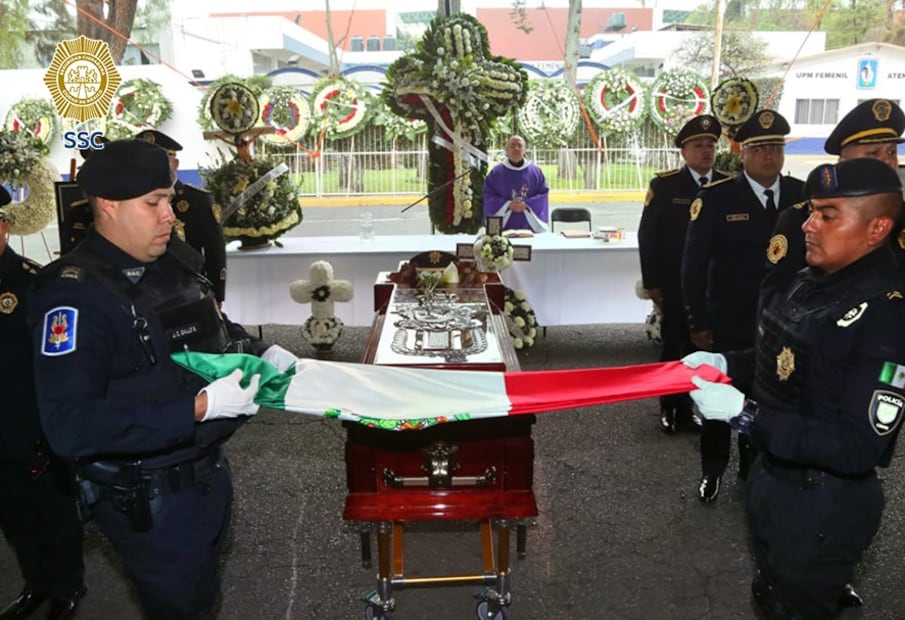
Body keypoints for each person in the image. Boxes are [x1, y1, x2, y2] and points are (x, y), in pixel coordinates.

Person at [28, 139, 292, 620]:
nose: (169, 215)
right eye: (153, 203)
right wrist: (197, 408)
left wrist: (258, 350)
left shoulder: (173, 262)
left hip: (204, 473)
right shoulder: (75, 296)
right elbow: (69, 426)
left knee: (200, 596)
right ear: (108, 204)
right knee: (180, 606)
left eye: (169, 199)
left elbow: (210, 327)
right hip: (147, 497)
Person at [683, 158, 905, 619]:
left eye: (828, 215)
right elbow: (783, 357)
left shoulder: (887, 313)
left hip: (822, 504)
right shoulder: (813, 279)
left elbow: (858, 446)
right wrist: (727, 363)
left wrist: (746, 415)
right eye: (812, 212)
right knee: (770, 592)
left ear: (877, 228)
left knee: (800, 605)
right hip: (774, 479)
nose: (808, 224)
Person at [681, 109, 804, 502]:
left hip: (788, 324)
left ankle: (756, 472)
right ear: (743, 153)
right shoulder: (716, 198)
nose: (769, 156)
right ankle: (713, 469)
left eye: (776, 148)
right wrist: (698, 322)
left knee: (774, 399)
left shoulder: (804, 196)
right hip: (731, 321)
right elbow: (693, 267)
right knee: (720, 399)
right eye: (760, 148)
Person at [0, 189, 85, 620]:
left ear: (4, 228)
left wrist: (50, 428)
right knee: (14, 518)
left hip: (33, 428)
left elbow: (58, 364)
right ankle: (36, 583)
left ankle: (67, 587)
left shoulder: (33, 282)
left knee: (54, 514)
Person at [763, 98, 905, 305]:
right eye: (873, 153)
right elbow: (775, 297)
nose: (887, 161)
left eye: (891, 152)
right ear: (843, 162)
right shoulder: (800, 221)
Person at [638, 114, 728, 433]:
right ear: (684, 152)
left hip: (715, 286)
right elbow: (648, 236)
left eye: (711, 145)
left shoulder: (728, 185)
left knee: (705, 350)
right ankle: (669, 406)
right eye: (698, 145)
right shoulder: (665, 185)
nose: (706, 151)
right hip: (675, 284)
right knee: (674, 346)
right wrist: (652, 283)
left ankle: (692, 408)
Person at [135, 129, 228, 302]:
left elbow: (215, 253)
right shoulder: (132, 203)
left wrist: (217, 295)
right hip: (145, 293)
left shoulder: (198, 200)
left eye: (159, 162)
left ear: (175, 164)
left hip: (188, 291)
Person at [483, 135, 550, 233]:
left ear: (525, 150)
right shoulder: (496, 173)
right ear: (506, 150)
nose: (516, 149)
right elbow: (489, 195)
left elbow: (543, 194)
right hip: (503, 229)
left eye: (519, 145)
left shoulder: (535, 172)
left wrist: (527, 205)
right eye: (512, 146)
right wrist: (507, 205)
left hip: (529, 228)